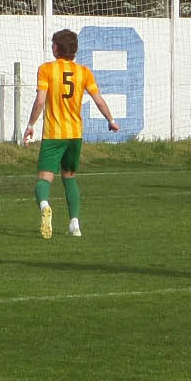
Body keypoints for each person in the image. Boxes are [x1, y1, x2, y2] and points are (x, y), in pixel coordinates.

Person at [21, 28, 118, 239]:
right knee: (70, 177)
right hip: (75, 134)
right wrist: (111, 120)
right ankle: (75, 224)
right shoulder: (84, 72)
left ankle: (45, 206)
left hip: (54, 134)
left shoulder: (46, 69)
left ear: (56, 48)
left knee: (44, 178)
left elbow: (40, 101)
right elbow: (98, 100)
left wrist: (30, 124)